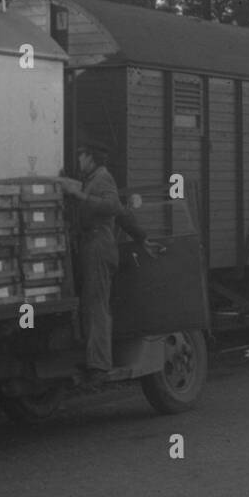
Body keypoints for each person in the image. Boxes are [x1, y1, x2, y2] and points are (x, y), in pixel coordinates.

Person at [58, 143, 162, 385]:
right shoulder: (93, 179)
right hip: (91, 245)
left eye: (81, 155)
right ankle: (94, 359)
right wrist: (141, 237)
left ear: (92, 158)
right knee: (91, 303)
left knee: (97, 305)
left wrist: (78, 195)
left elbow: (112, 207)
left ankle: (99, 365)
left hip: (98, 245)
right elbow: (123, 213)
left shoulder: (103, 178)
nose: (79, 160)